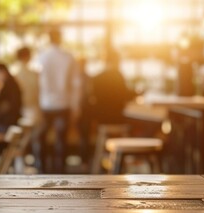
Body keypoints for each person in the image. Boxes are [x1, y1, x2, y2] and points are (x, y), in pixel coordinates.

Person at [36, 28, 81, 174]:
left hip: (46, 104)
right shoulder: (68, 57)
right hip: (63, 104)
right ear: (60, 38)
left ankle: (41, 169)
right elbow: (76, 84)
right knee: (61, 139)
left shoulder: (42, 57)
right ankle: (60, 171)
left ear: (49, 39)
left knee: (41, 137)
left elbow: (38, 83)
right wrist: (76, 106)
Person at [88, 49, 135, 124]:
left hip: (101, 116)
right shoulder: (118, 77)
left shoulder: (96, 78)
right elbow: (125, 94)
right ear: (115, 61)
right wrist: (136, 94)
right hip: (117, 116)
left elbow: (92, 97)